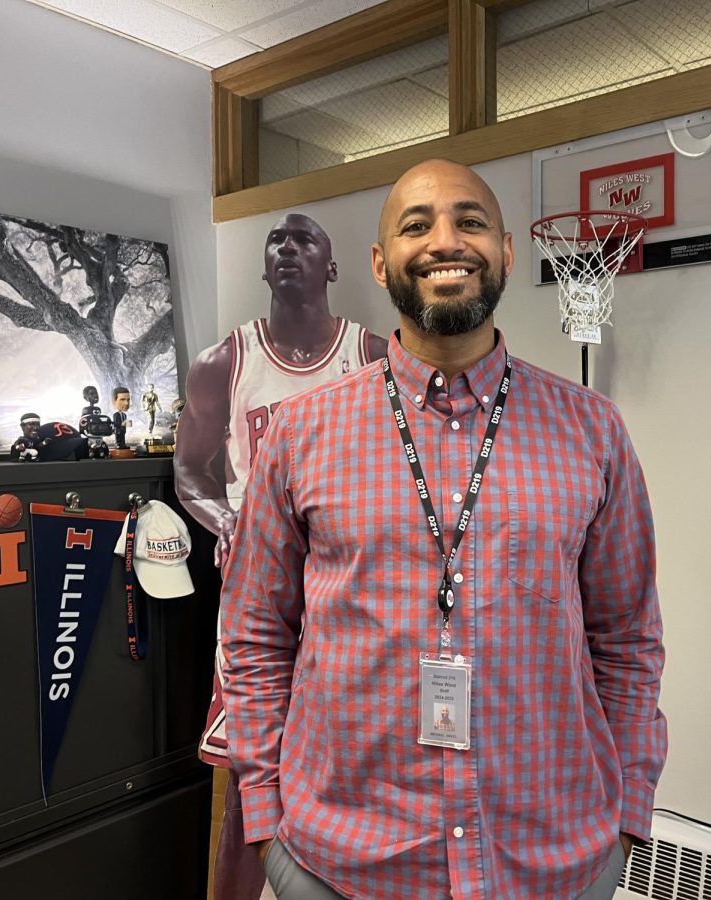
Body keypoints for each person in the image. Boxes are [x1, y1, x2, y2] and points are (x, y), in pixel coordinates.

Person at [221, 160, 667, 900]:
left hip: (551, 865)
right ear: (378, 261)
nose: (444, 241)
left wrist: (626, 816)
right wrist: (267, 819)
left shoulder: (592, 429)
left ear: (505, 252)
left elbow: (628, 639)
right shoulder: (301, 435)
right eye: (415, 225)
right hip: (339, 867)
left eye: (470, 221)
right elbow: (254, 635)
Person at [174, 212, 386, 900]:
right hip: (260, 602)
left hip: (345, 595)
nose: (288, 248)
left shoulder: (376, 354)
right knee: (246, 776)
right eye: (276, 241)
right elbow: (190, 474)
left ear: (333, 267)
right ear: (264, 268)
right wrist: (226, 520)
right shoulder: (223, 363)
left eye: (306, 239)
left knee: (354, 761)